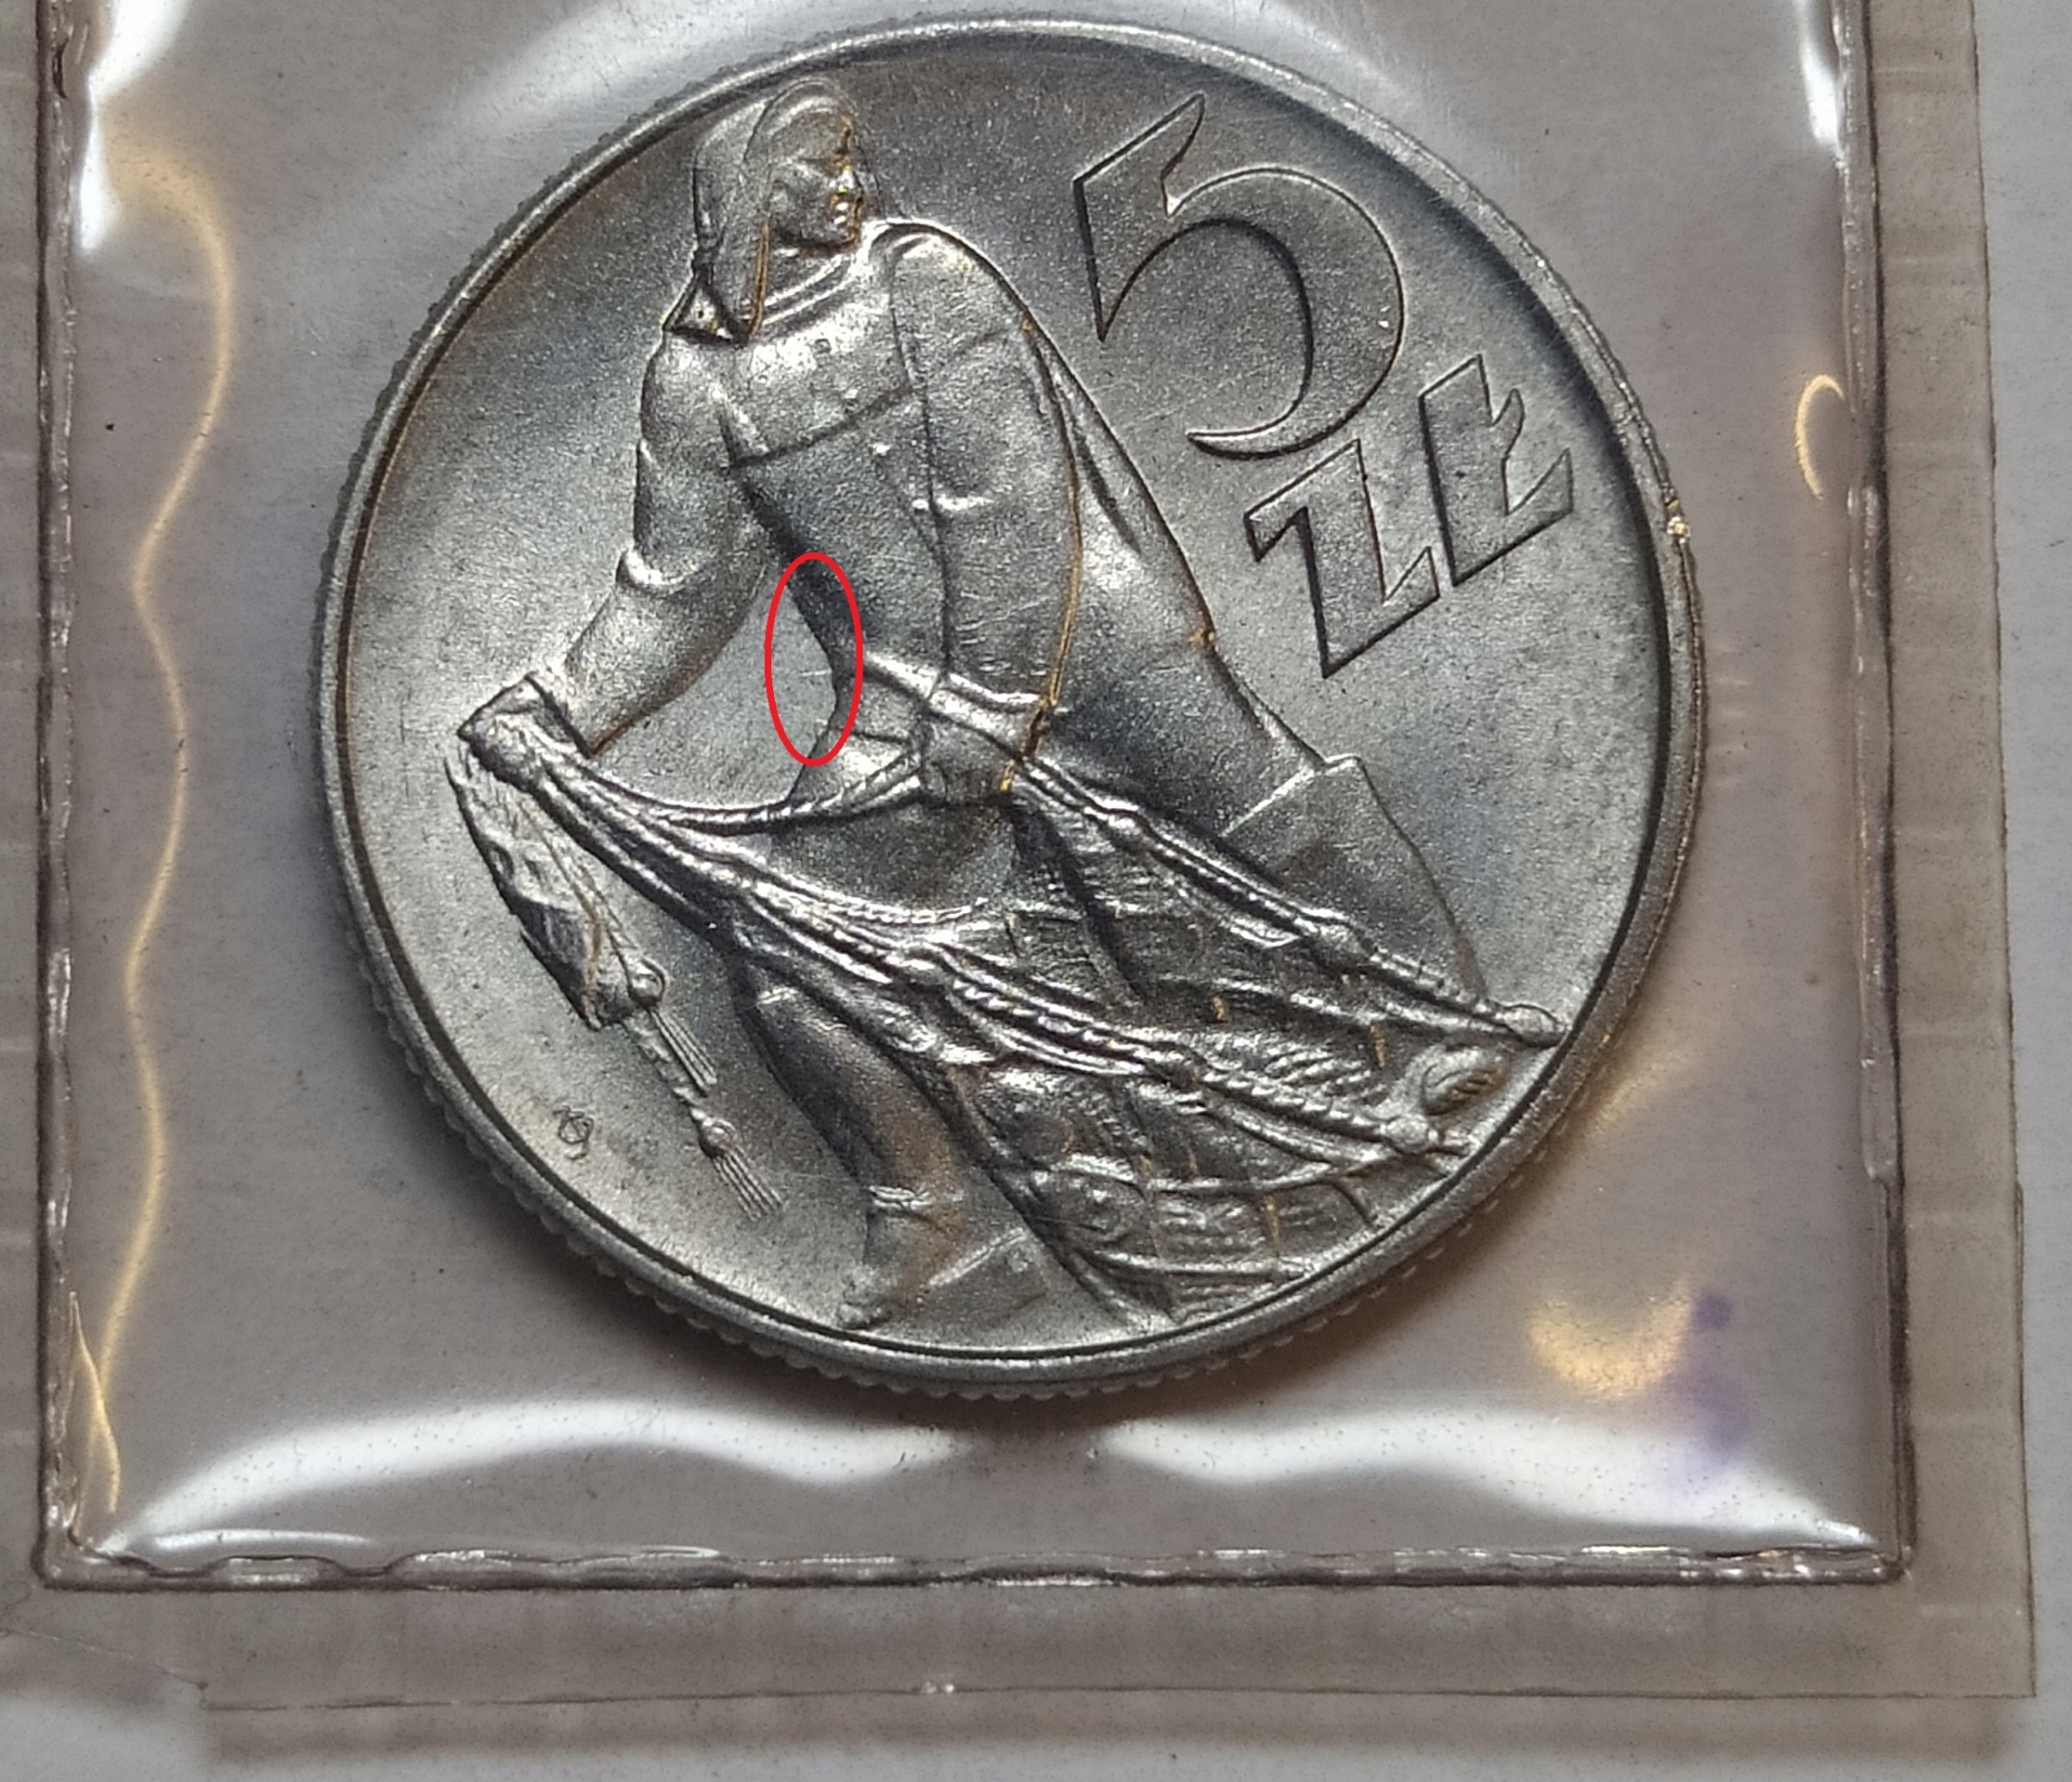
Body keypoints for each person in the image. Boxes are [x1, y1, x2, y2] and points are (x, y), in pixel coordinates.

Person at [461, 81, 1525, 1332]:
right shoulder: (692, 383)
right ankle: (930, 1216)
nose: (851, 182)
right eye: (818, 167)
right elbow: (677, 590)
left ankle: (1452, 1034)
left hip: (1091, 644)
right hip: (900, 703)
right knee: (786, 938)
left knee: (1266, 806)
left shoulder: (926, 282)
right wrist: (561, 708)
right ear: (750, 193)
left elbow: (1009, 497)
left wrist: (990, 702)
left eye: (850, 157)